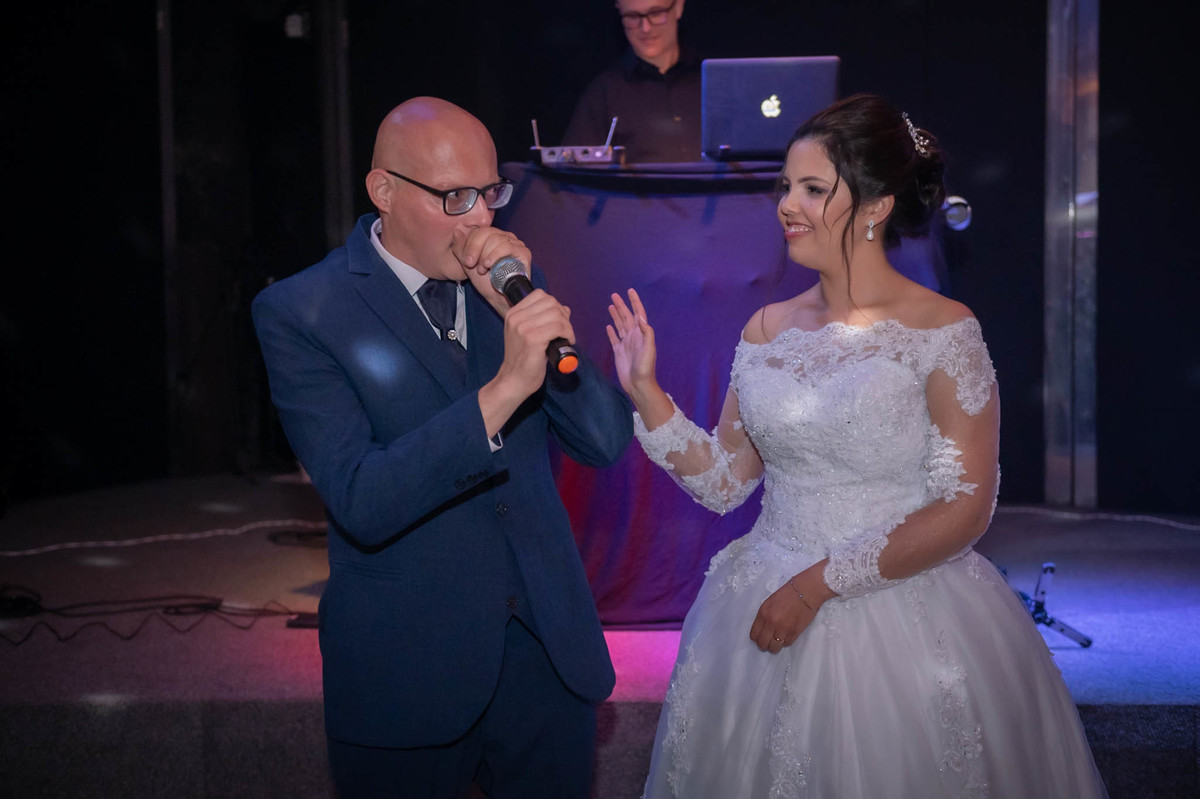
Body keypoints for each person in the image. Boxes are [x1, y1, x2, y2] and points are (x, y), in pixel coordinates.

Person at [606, 94, 1107, 797]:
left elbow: (965, 507)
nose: (788, 205)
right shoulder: (765, 329)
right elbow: (725, 482)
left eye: (813, 189)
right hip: (759, 604)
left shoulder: (943, 330)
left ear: (875, 205)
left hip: (903, 611)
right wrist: (646, 391)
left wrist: (815, 586)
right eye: (786, 186)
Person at [252, 96, 633, 798]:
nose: (480, 218)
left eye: (491, 193)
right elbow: (363, 498)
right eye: (455, 197)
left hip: (545, 655)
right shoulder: (303, 311)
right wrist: (505, 388)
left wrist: (522, 311)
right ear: (384, 190)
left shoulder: (510, 282)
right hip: (408, 665)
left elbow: (605, 440)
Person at [562, 0, 702, 163]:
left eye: (656, 13)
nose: (645, 28)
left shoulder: (712, 81)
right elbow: (574, 170)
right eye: (632, 16)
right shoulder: (603, 92)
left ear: (678, 7)